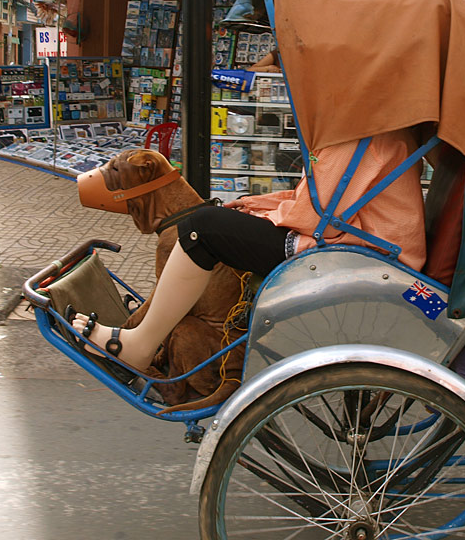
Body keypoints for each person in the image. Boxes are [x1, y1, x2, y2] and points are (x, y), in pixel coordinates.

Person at [73, 126, 428, 372]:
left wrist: (266, 212)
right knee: (213, 220)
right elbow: (313, 201)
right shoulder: (372, 132)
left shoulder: (360, 137)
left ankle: (139, 345)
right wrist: (256, 205)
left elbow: (316, 216)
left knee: (199, 227)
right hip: (355, 248)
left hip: (351, 255)